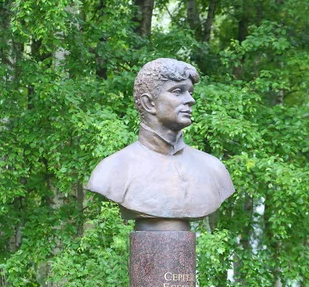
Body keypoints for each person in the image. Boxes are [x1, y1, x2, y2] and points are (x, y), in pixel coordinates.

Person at [87, 58, 234, 219]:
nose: (191, 100)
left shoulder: (213, 169)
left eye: (190, 92)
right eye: (178, 92)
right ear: (149, 103)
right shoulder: (112, 170)